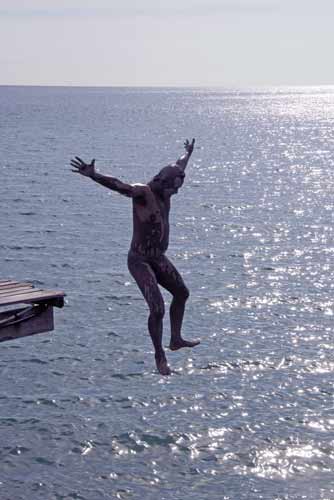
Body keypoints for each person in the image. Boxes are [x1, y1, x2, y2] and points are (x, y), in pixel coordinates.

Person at [70, 139, 200, 375]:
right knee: (157, 308)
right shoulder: (143, 192)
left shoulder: (167, 190)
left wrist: (187, 152)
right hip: (139, 260)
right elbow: (119, 186)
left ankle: (176, 339)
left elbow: (180, 165)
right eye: (173, 188)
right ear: (162, 182)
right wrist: (94, 175)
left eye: (178, 189)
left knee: (182, 293)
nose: (175, 193)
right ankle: (159, 356)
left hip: (157, 257)